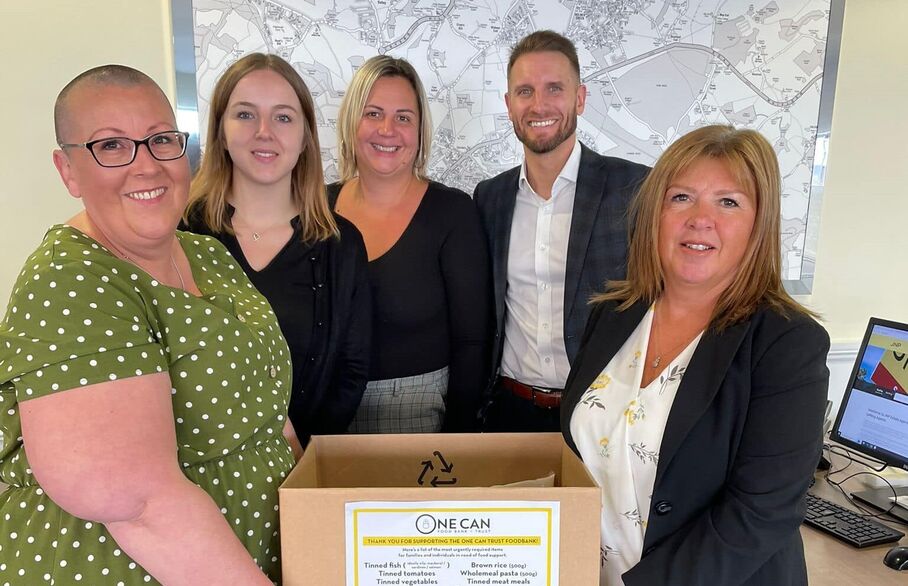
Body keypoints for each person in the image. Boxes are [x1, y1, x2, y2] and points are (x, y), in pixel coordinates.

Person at [0, 65, 295, 584]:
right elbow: (136, 503)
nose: (147, 166)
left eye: (162, 140)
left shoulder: (207, 254)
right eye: (111, 146)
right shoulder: (71, 280)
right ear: (67, 171)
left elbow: (267, 407)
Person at [561, 125, 830, 585]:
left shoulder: (788, 344)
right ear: (656, 215)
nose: (699, 219)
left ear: (758, 224)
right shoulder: (612, 315)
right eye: (681, 197)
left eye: (728, 202)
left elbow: (758, 513)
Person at [184, 53, 370, 446]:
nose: (264, 132)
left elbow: (350, 371)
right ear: (220, 130)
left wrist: (300, 460)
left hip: (301, 467)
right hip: (197, 476)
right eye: (245, 115)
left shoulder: (341, 245)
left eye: (283, 117)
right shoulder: (182, 233)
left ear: (305, 138)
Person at [475, 30, 650, 432]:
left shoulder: (635, 189)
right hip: (509, 412)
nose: (539, 104)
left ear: (580, 98)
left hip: (605, 413)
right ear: (508, 105)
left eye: (554, 88)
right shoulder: (490, 199)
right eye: (524, 91)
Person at [327, 55, 491, 433]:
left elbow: (472, 343)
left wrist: (456, 444)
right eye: (373, 114)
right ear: (352, 122)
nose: (388, 129)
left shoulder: (452, 212)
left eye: (403, 117)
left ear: (419, 131)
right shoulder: (316, 207)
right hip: (321, 415)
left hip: (417, 418)